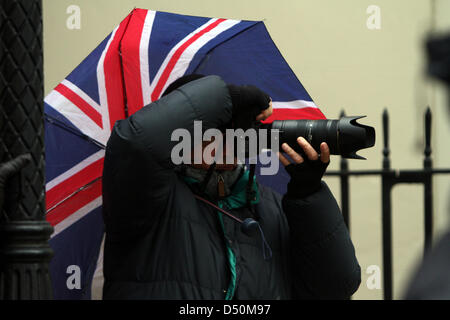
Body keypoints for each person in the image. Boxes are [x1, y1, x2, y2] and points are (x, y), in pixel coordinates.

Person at [101, 74, 361, 299]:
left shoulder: (266, 206)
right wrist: (228, 97)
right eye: (210, 126)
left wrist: (308, 195)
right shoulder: (146, 194)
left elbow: (336, 287)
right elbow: (135, 143)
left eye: (230, 125)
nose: (224, 134)